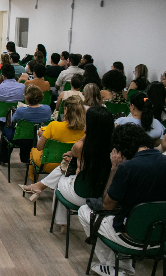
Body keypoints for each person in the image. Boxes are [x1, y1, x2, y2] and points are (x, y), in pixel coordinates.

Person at [78, 123, 165, 276]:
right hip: (161, 235)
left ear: (121, 148)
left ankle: (114, 268)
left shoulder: (128, 167)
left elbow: (107, 205)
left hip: (132, 235)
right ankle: (117, 266)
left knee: (85, 211)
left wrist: (114, 170)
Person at [20, 106, 112, 223]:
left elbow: (70, 153)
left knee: (62, 172)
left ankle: (60, 221)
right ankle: (39, 186)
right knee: (65, 167)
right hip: (101, 194)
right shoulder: (112, 148)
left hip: (82, 195)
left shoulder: (81, 147)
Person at [27, 95, 86, 181]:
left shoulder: (53, 125)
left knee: (33, 150)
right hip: (71, 165)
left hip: (49, 165)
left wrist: (42, 136)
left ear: (66, 110)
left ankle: (33, 183)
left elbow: (39, 147)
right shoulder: (85, 131)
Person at [0, 85, 52, 164]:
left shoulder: (20, 111)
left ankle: (3, 159)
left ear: (27, 97)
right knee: (29, 133)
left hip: (20, 140)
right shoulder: (47, 109)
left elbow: (13, 122)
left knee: (6, 129)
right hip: (38, 138)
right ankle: (26, 158)